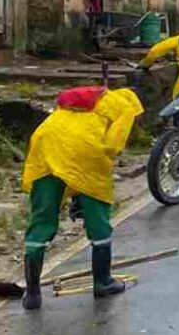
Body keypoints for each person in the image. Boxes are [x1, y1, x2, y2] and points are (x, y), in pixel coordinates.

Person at [20, 87, 144, 309]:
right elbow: (113, 144)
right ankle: (103, 282)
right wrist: (104, 162)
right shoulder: (124, 106)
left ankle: (31, 294)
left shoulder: (82, 100)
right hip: (85, 146)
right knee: (98, 214)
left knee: (42, 216)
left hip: (45, 138)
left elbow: (66, 161)